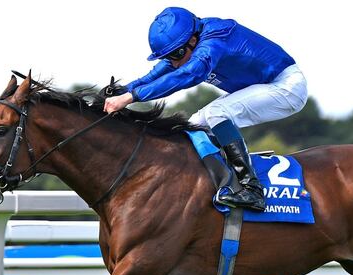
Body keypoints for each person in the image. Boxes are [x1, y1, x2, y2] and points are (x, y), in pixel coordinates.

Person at [103, 6, 307, 212]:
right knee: (194, 126)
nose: (174, 62)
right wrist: (126, 88)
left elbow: (187, 75)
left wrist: (130, 98)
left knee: (216, 112)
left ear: (193, 40)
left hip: (286, 86)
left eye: (176, 54)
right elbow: (161, 71)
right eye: (169, 56)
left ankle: (252, 190)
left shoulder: (215, 41)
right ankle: (214, 183)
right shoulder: (189, 42)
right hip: (263, 86)